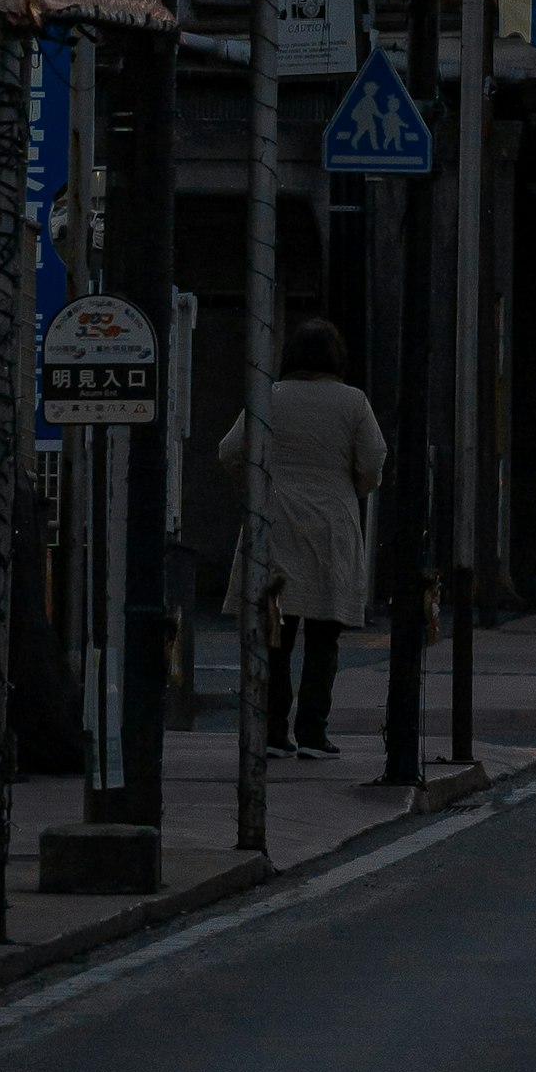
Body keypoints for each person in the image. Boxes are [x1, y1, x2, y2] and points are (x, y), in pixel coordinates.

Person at [222, 316, 381, 758]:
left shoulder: (269, 396)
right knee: (325, 634)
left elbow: (230, 450)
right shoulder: (354, 402)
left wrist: (259, 482)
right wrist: (352, 487)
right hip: (333, 522)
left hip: (275, 515)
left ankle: (272, 729)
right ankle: (314, 730)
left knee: (276, 628)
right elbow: (371, 461)